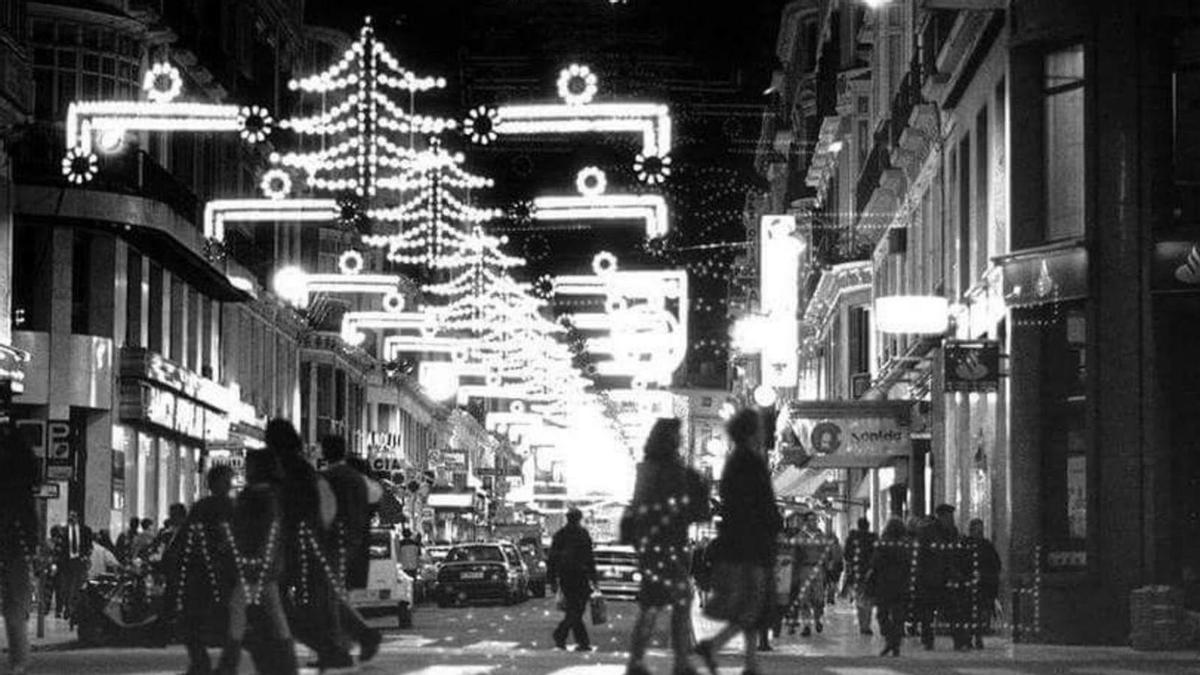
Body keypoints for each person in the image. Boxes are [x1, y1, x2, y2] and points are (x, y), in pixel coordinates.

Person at [694, 409, 781, 675]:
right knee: (753, 603)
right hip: (751, 544)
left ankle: (749, 662)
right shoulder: (750, 462)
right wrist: (775, 524)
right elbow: (762, 502)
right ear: (752, 431)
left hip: (738, 542)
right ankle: (725, 651)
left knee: (750, 603)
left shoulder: (735, 461)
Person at [624, 418, 711, 675]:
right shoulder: (674, 472)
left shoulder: (649, 469)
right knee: (680, 601)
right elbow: (692, 509)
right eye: (677, 436)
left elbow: (641, 508)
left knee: (655, 604)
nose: (680, 441)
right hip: (669, 545)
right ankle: (678, 662)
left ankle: (639, 661)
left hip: (654, 546)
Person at [266, 419, 346, 670]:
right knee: (305, 603)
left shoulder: (285, 469)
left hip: (291, 545)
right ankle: (326, 648)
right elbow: (327, 509)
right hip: (309, 544)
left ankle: (323, 649)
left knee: (275, 604)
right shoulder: (306, 470)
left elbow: (278, 507)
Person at [215, 450, 296, 675]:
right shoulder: (268, 494)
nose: (246, 470)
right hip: (261, 563)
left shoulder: (259, 496)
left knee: (240, 607)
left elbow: (265, 529)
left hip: (254, 563)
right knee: (269, 610)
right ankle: (287, 664)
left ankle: (228, 664)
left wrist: (255, 557)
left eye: (250, 466)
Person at [320, 435, 383, 664]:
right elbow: (376, 494)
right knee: (335, 593)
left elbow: (325, 513)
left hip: (331, 544)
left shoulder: (328, 477)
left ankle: (348, 642)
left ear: (324, 451)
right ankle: (342, 644)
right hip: (354, 542)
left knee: (329, 594)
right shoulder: (357, 478)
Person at [171, 465, 236, 675]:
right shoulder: (226, 507)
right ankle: (220, 664)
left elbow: (185, 537)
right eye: (226, 481)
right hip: (217, 574)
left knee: (195, 621)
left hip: (205, 574)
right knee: (225, 622)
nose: (228, 485)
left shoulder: (205, 507)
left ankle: (205, 663)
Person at [0, 420, 40, 675]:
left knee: (15, 608)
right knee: (15, 608)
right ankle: (19, 663)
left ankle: (19, 662)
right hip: (16, 545)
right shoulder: (22, 496)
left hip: (14, 543)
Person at [547, 507, 597, 652]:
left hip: (565, 577)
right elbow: (589, 558)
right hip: (580, 576)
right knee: (577, 610)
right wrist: (594, 578)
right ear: (579, 518)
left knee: (573, 609)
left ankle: (569, 638)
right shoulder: (583, 534)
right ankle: (563, 635)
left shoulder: (560, 535)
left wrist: (552, 579)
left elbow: (552, 559)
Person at [915, 504, 959, 650]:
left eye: (952, 516)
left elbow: (954, 554)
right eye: (948, 516)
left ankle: (959, 640)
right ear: (941, 516)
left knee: (952, 610)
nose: (951, 519)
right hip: (929, 578)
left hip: (947, 577)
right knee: (928, 611)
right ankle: (927, 640)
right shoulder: (927, 532)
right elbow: (921, 556)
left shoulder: (953, 532)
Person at [869, 519, 911, 657]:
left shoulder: (883, 543)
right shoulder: (905, 545)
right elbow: (909, 564)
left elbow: (875, 563)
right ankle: (895, 642)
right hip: (901, 584)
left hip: (884, 584)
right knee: (898, 616)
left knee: (882, 614)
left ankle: (890, 639)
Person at [794, 510, 835, 637]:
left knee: (818, 598)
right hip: (804, 569)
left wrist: (829, 566)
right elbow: (795, 552)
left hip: (818, 570)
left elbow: (828, 553)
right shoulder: (800, 536)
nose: (814, 522)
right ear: (805, 522)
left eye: (815, 520)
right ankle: (806, 625)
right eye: (811, 520)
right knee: (805, 599)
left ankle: (818, 620)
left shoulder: (821, 536)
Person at [965, 518, 1001, 649]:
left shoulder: (987, 546)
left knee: (980, 613)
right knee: (969, 612)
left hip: (983, 585)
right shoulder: (966, 545)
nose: (979, 533)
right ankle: (969, 638)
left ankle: (978, 637)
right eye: (976, 530)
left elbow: (995, 564)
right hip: (970, 584)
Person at [56, 510, 93, 624]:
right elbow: (60, 547)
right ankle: (67, 608)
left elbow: (89, 546)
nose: (72, 518)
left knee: (77, 586)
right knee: (66, 587)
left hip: (79, 561)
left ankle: (73, 609)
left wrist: (86, 556)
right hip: (66, 562)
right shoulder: (64, 531)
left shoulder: (85, 530)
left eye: (74, 516)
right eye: (70, 516)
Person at [844, 517, 878, 635]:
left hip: (856, 572)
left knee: (859, 598)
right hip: (870, 573)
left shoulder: (852, 538)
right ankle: (866, 624)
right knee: (868, 599)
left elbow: (847, 555)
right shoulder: (873, 538)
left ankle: (862, 623)